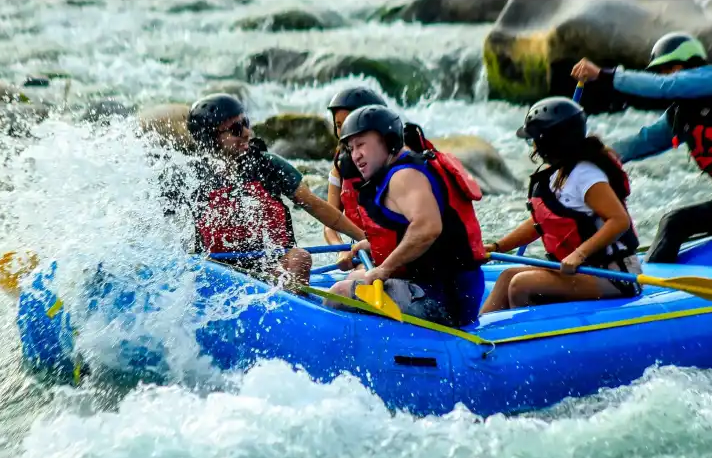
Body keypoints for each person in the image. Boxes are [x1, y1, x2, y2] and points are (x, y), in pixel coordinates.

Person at [571, 31, 712, 274]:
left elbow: (666, 87)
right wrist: (593, 156)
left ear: (692, 64)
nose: (665, 76)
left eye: (670, 68)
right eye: (661, 72)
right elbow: (644, 141)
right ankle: (646, 287)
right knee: (674, 222)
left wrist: (604, 75)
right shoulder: (682, 115)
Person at [323, 104, 488, 327]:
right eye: (351, 148)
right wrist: (375, 247)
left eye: (361, 144)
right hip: (447, 290)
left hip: (445, 299)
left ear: (388, 140)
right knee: (354, 279)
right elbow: (424, 236)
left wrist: (385, 268)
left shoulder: (404, 176)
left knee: (339, 292)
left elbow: (427, 228)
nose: (355, 156)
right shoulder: (405, 169)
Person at [480, 96, 643, 313]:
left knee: (521, 284)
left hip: (615, 274)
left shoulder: (585, 175)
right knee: (507, 276)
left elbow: (619, 220)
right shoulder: (559, 173)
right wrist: (497, 247)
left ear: (549, 142)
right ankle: (479, 336)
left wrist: (579, 254)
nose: (533, 147)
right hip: (582, 271)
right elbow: (541, 222)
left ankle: (524, 342)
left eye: (533, 140)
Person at [184, 93, 365, 287]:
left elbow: (316, 206)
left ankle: (290, 302)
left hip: (270, 265)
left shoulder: (268, 166)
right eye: (236, 129)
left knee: (299, 258)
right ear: (210, 138)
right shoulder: (192, 178)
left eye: (246, 123)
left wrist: (365, 239)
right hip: (216, 269)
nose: (246, 133)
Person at [323, 86, 390, 271]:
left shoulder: (396, 165)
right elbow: (330, 223)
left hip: (392, 252)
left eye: (353, 123)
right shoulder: (340, 166)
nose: (345, 131)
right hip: (363, 253)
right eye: (339, 125)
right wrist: (341, 251)